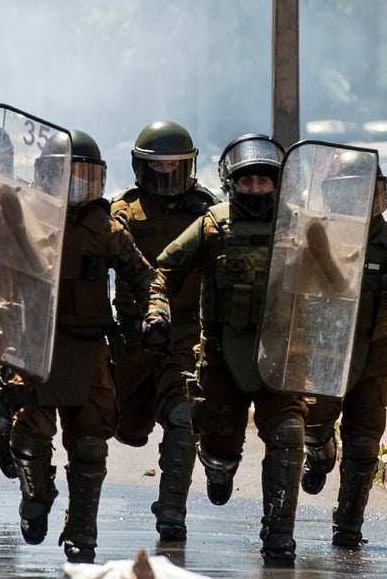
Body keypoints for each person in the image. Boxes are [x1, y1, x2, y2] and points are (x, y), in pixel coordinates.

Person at [1, 129, 171, 564]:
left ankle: (81, 534)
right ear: (43, 177)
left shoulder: (105, 228)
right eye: (64, 175)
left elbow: (147, 277)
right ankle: (36, 496)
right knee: (27, 438)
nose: (74, 185)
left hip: (89, 350)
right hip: (32, 347)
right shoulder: (21, 219)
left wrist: (155, 313)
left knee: (91, 445)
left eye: (84, 176)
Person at [153, 133, 306, 565]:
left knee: (289, 435)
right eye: (246, 182)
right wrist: (157, 310)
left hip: (282, 358)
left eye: (264, 182)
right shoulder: (212, 225)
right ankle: (219, 468)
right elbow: (163, 270)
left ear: (278, 184)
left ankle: (278, 537)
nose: (255, 190)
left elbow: (335, 283)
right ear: (230, 183)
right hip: (221, 360)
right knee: (219, 452)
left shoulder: (299, 225)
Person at [301, 155, 387, 547]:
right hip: (324, 355)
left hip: (372, 358)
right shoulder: (315, 234)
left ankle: (348, 527)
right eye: (350, 190)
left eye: (367, 191)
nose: (359, 199)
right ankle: (320, 454)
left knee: (363, 444)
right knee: (312, 425)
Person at [109, 121, 218, 542]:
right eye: (158, 168)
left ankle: (172, 511)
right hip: (133, 337)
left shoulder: (209, 213)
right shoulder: (122, 212)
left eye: (175, 167)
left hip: (187, 334)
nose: (167, 177)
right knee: (125, 428)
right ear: (141, 168)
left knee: (182, 414)